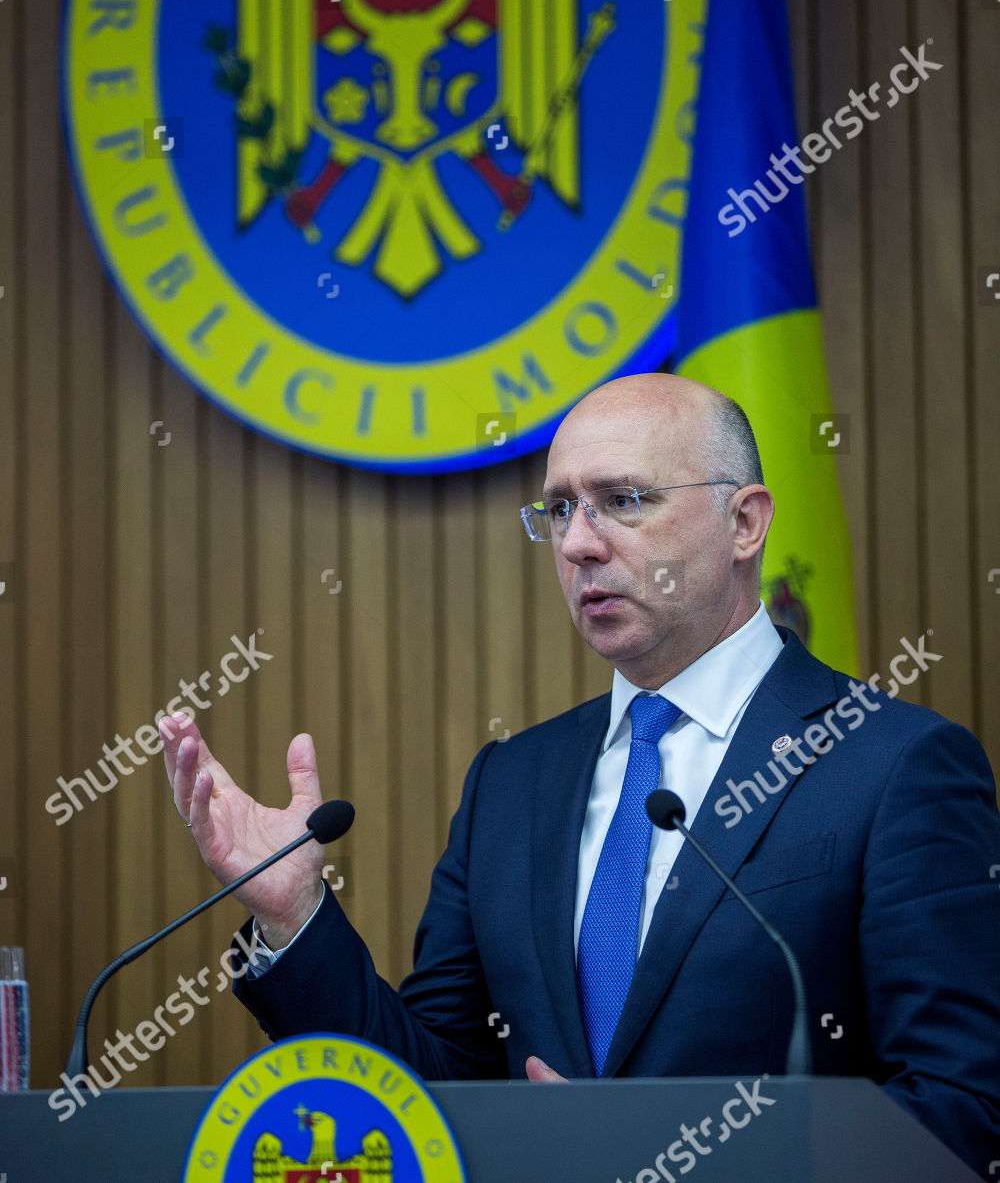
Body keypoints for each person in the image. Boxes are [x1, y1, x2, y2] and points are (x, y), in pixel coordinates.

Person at [159, 372, 1000, 1172]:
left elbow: (964, 1112)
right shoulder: (511, 785)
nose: (579, 543)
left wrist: (669, 1161)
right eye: (559, 509)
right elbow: (428, 1090)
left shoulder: (895, 766)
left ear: (745, 523)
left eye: (625, 501)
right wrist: (295, 916)